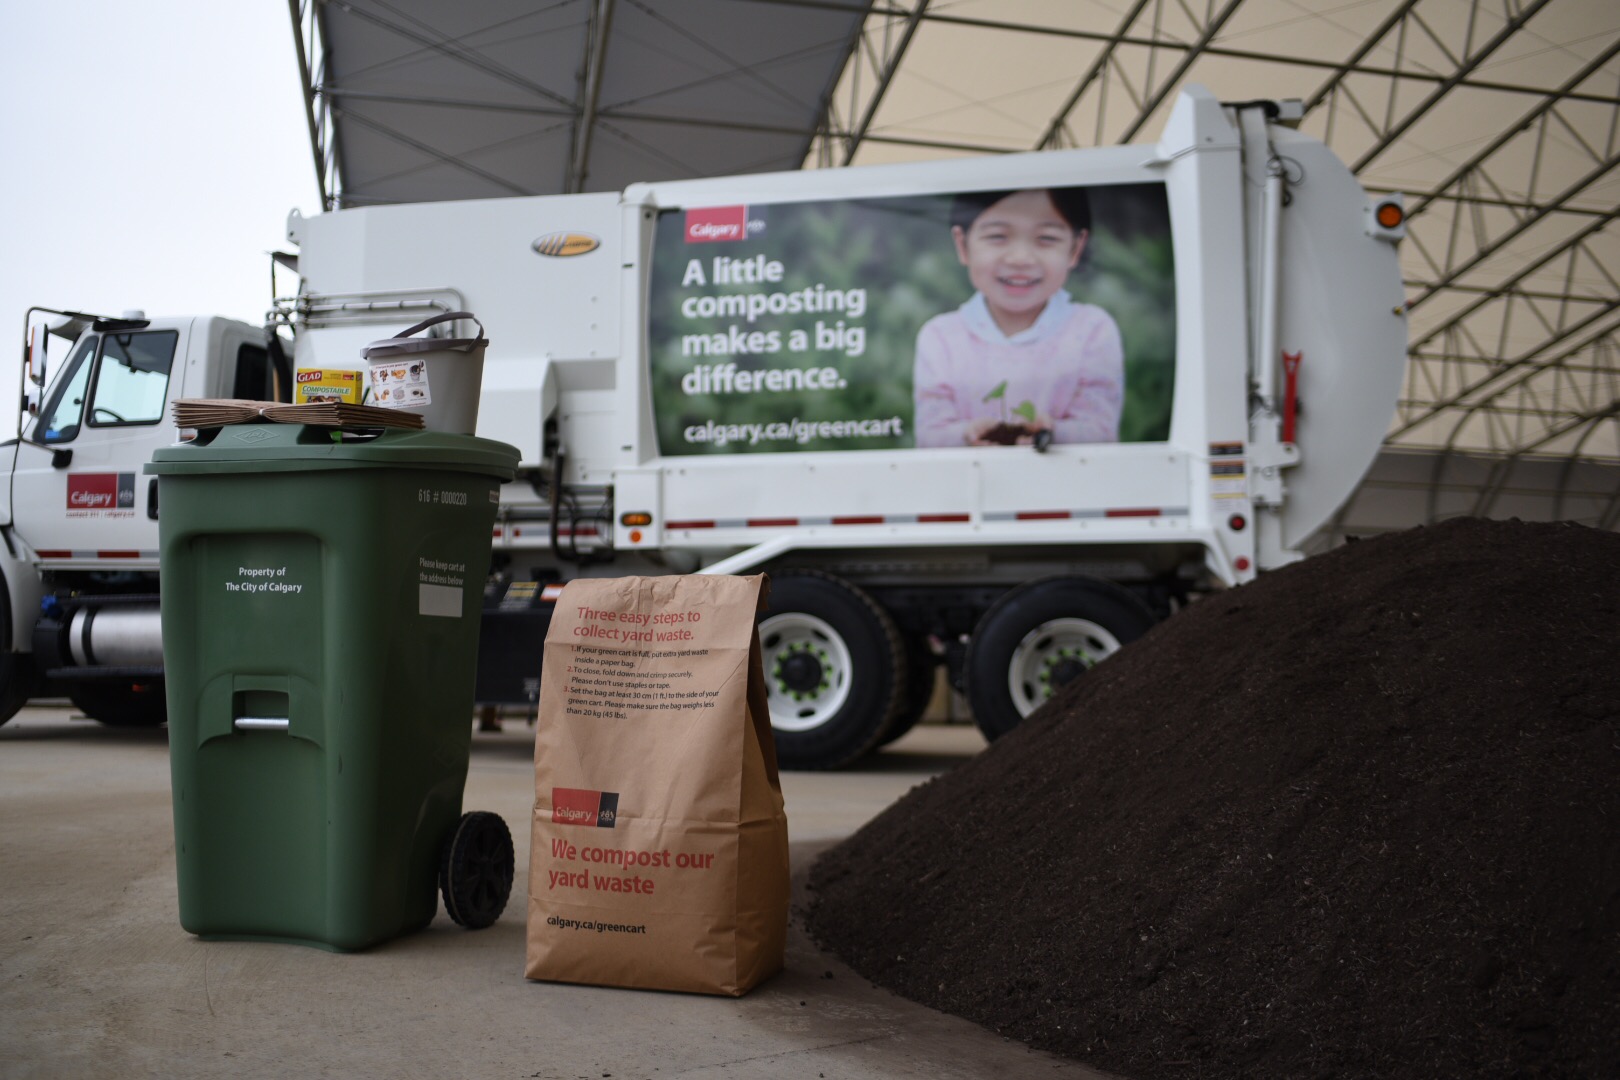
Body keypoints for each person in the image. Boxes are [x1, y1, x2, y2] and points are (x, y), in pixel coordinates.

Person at [913, 186, 1124, 447]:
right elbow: (929, 435)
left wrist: (1052, 433)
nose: (1020, 258)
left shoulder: (1092, 329)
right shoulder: (941, 337)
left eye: (1046, 238)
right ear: (962, 244)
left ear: (1076, 248)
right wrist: (966, 434)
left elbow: (1100, 430)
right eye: (998, 236)